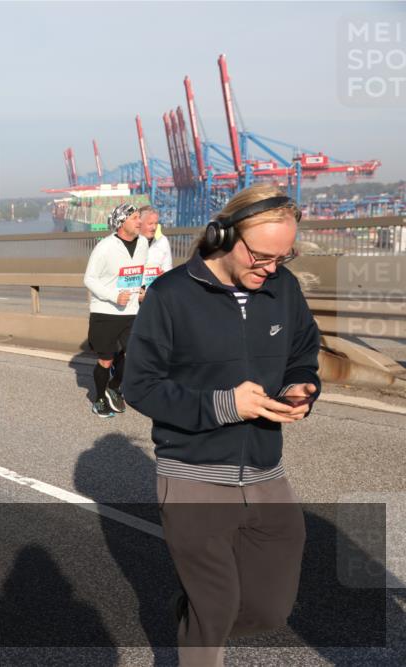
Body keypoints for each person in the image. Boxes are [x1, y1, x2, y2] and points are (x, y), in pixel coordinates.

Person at [123, 185, 320, 667]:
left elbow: (302, 354)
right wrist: (225, 405)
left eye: (283, 256)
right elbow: (140, 387)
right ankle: (202, 624)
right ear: (224, 235)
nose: (271, 267)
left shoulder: (283, 286)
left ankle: (190, 615)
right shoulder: (170, 295)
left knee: (270, 609)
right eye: (261, 255)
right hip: (193, 476)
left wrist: (301, 388)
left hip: (266, 473)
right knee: (216, 609)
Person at [83, 203, 148, 418]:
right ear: (121, 222)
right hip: (106, 312)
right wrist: (113, 296)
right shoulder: (105, 247)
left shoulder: (144, 244)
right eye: (135, 218)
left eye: (140, 217)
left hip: (132, 311)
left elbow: (140, 273)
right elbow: (89, 279)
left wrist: (142, 290)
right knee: (106, 360)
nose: (140, 221)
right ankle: (99, 398)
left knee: (134, 355)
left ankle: (114, 386)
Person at [140, 206, 173, 288]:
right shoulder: (130, 241)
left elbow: (168, 269)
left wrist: (164, 276)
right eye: (150, 224)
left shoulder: (163, 241)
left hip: (156, 292)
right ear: (140, 223)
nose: (154, 227)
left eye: (156, 223)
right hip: (134, 295)